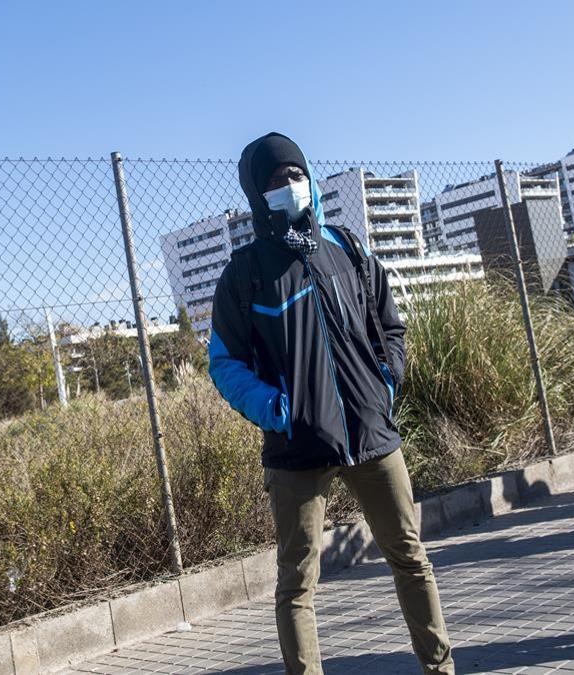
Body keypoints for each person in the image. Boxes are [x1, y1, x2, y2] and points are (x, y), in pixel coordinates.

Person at [208, 132, 453, 675]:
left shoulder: (346, 246)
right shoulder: (245, 273)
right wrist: (277, 409)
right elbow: (224, 363)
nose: (289, 186)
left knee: (411, 558)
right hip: (297, 448)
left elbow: (390, 323)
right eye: (274, 181)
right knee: (296, 584)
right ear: (256, 195)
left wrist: (386, 380)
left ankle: (441, 668)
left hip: (372, 431)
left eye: (296, 175)